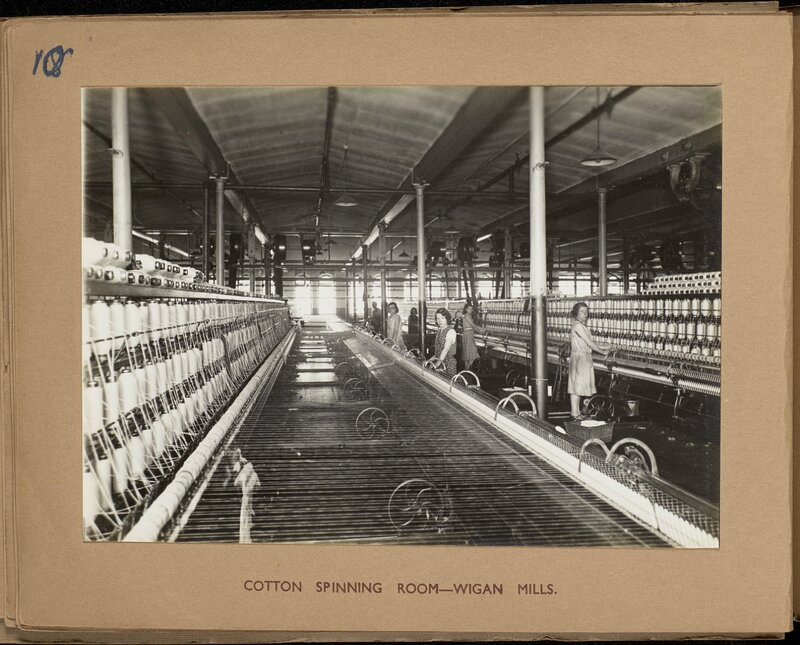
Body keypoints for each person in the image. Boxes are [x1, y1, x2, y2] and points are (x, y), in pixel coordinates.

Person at [568, 302, 609, 420]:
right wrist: (603, 351)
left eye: (586, 311)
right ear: (576, 313)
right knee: (576, 387)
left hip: (583, 357)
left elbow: (590, 343)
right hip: (580, 358)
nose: (585, 314)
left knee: (577, 387)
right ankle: (574, 414)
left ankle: (575, 413)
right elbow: (589, 343)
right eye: (582, 311)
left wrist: (608, 347)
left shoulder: (581, 325)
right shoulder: (578, 326)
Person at [431, 307, 457, 375]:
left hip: (448, 366)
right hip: (440, 363)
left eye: (442, 318)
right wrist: (429, 361)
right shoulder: (439, 331)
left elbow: (445, 349)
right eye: (438, 319)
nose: (440, 321)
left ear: (447, 318)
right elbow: (438, 352)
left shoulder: (451, 331)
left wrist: (436, 364)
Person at [460, 302, 485, 370]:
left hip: (468, 334)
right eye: (469, 309)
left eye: (471, 309)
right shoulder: (467, 315)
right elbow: (473, 326)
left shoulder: (468, 315)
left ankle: (465, 371)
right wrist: (481, 332)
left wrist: (482, 329)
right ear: (465, 309)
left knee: (467, 354)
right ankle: (466, 370)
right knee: (473, 354)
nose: (470, 310)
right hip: (468, 335)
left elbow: (473, 325)